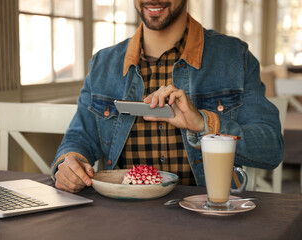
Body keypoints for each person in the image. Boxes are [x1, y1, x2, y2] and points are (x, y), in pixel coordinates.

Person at [51, 0, 284, 193]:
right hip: (122, 217)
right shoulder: (103, 64)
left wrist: (204, 124)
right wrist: (69, 164)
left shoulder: (235, 57)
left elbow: (270, 148)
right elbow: (79, 138)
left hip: (209, 218)